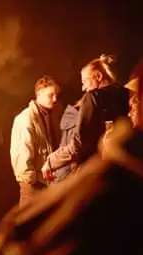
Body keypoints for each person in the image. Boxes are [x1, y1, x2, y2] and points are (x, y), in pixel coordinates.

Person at [42, 55, 130, 178]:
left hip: (101, 173)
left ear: (98, 76)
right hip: (128, 172)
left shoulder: (93, 97)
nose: (83, 88)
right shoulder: (129, 95)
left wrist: (51, 162)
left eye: (84, 81)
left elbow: (79, 144)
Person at [10, 76, 60, 206]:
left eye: (56, 95)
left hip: (45, 182)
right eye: (51, 95)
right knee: (28, 222)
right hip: (32, 185)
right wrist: (29, 182)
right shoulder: (25, 118)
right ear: (39, 93)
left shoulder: (48, 115)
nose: (55, 99)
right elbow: (22, 152)